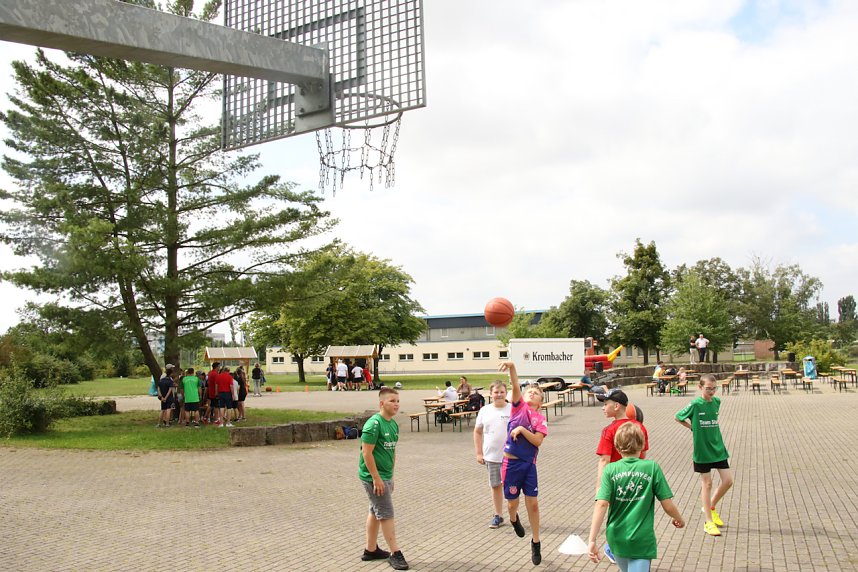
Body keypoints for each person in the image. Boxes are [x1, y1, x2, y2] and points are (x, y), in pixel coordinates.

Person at [587, 423, 685, 571]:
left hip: (617, 537)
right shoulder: (652, 468)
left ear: (617, 446)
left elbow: (601, 504)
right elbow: (667, 504)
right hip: (641, 539)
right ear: (642, 444)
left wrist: (592, 540)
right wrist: (679, 518)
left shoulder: (610, 470)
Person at [499, 361, 548, 566]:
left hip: (528, 465)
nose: (532, 393)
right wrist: (511, 366)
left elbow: (537, 441)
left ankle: (535, 542)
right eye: (529, 391)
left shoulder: (540, 419)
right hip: (511, 465)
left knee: (533, 504)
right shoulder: (517, 409)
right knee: (512, 504)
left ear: (540, 401)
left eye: (536, 393)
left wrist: (522, 431)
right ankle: (513, 519)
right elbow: (515, 384)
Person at [594, 389, 649, 564]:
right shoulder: (639, 427)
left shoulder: (608, 430)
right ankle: (627, 548)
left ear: (616, 406)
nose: (603, 408)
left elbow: (604, 460)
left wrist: (600, 486)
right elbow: (643, 454)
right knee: (634, 514)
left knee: (615, 515)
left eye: (605, 404)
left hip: (615, 480)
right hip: (637, 479)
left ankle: (612, 548)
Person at [675, 373, 734, 537]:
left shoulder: (716, 402)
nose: (712, 392)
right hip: (702, 451)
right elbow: (678, 417)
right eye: (708, 389)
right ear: (700, 388)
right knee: (707, 484)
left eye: (714, 389)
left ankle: (711, 506)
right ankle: (708, 522)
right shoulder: (695, 404)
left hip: (718, 448)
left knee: (728, 481)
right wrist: (691, 427)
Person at [358, 387, 409, 570]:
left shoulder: (393, 424)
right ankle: (395, 552)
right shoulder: (374, 424)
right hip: (373, 477)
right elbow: (367, 453)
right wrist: (376, 478)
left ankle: (371, 550)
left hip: (385, 476)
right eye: (391, 401)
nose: (396, 404)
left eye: (397, 401)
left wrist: (390, 476)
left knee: (375, 510)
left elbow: (392, 450)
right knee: (386, 513)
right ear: (382, 403)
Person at [473, 380, 511, 529]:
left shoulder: (512, 410)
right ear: (491, 394)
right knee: (496, 486)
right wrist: (478, 453)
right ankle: (498, 515)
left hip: (511, 456)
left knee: (511, 487)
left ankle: (514, 515)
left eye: (502, 392)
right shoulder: (485, 411)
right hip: (492, 456)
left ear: (506, 393)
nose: (499, 395)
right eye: (496, 392)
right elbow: (477, 431)